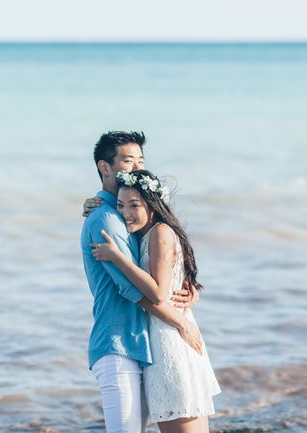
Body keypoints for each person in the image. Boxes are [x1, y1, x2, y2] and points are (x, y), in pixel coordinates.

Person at [81, 131, 202, 433]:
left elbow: (164, 262)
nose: (135, 168)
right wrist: (181, 321)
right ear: (105, 167)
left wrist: (189, 290)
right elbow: (129, 286)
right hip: (119, 342)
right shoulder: (107, 218)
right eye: (128, 161)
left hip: (144, 343)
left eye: (140, 161)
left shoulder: (129, 215)